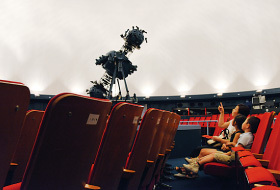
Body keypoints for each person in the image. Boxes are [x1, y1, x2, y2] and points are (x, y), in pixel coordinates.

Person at [183, 116, 260, 174]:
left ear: (247, 126)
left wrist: (227, 153)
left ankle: (196, 165)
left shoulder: (246, 136)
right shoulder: (246, 135)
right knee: (213, 153)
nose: (243, 123)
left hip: (234, 159)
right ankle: (196, 163)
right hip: (234, 156)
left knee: (214, 155)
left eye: (245, 122)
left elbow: (237, 150)